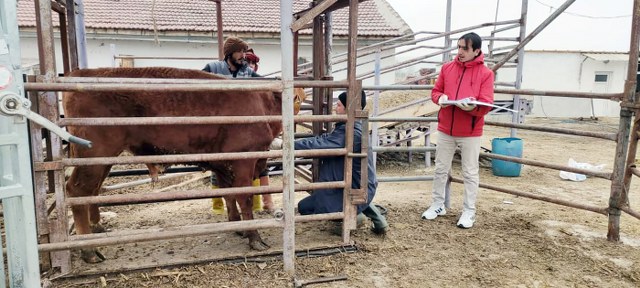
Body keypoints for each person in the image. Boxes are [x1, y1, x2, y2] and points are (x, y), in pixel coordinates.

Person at [273, 91, 388, 235]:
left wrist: (286, 145)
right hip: (353, 184)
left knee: (315, 209)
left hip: (355, 187)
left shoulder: (350, 132)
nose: (335, 108)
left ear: (348, 108)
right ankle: (371, 215)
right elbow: (326, 139)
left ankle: (355, 217)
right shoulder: (351, 125)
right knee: (304, 207)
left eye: (339, 105)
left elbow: (324, 143)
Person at [421, 32, 495, 229]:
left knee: (470, 172)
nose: (460, 51)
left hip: (470, 131)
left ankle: (469, 211)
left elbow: (486, 104)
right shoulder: (447, 68)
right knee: (440, 168)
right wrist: (441, 99)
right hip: (446, 128)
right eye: (459, 47)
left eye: (465, 48)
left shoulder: (486, 74)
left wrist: (473, 109)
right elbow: (435, 92)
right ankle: (438, 205)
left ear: (476, 51)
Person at [203, 37, 271, 213]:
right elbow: (197, 90)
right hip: (218, 126)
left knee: (247, 164)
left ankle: (250, 204)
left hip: (240, 128)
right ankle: (220, 206)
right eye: (240, 51)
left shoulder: (246, 71)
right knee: (218, 166)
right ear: (229, 53)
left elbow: (264, 83)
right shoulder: (212, 68)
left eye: (244, 51)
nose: (243, 55)